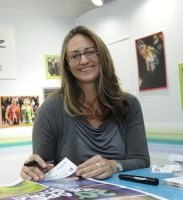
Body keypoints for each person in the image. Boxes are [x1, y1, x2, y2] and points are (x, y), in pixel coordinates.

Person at [21, 25, 150, 181]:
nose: (83, 60)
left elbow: (142, 161)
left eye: (90, 52)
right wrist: (33, 171)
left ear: (102, 55)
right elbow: (42, 169)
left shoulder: (129, 104)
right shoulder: (51, 109)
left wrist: (114, 165)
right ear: (67, 64)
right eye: (74, 56)